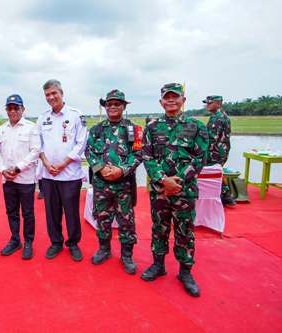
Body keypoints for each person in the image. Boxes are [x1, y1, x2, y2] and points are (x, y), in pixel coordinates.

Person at [141, 83, 208, 297]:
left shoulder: (197, 126)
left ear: (183, 100)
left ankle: (185, 272)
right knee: (159, 228)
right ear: (161, 101)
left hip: (184, 191)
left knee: (184, 232)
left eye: (175, 97)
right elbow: (147, 156)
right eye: (167, 97)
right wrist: (163, 180)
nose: (171, 100)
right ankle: (158, 265)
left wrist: (177, 181)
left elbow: (200, 158)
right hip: (160, 191)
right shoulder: (152, 127)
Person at [85, 89, 142, 274]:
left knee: (126, 221)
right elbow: (89, 152)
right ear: (105, 107)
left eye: (117, 104)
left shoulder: (134, 130)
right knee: (102, 218)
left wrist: (121, 170)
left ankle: (127, 255)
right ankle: (104, 249)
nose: (113, 107)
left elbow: (139, 153)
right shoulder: (96, 130)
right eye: (109, 104)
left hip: (123, 184)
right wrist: (101, 168)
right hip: (101, 184)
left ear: (123, 106)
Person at [37, 79, 87, 262]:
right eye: (47, 95)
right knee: (52, 212)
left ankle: (73, 243)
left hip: (70, 174)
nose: (51, 97)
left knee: (71, 212)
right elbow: (38, 145)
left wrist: (63, 164)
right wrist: (46, 162)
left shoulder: (75, 115)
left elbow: (81, 144)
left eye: (53, 93)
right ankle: (56, 242)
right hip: (48, 174)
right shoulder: (43, 117)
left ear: (61, 92)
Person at [0, 94, 40, 260]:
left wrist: (18, 168)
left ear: (23, 109)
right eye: (10, 108)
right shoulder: (2, 129)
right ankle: (15, 240)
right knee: (11, 212)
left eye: (16, 108)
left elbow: (35, 151)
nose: (13, 111)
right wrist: (3, 169)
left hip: (25, 178)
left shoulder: (31, 127)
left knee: (27, 213)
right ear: (6, 110)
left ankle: (28, 242)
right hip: (8, 178)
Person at [203, 95, 235, 207]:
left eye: (210, 103)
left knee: (213, 172)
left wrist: (203, 150)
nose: (207, 105)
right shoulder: (224, 116)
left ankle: (223, 197)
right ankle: (227, 197)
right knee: (218, 171)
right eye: (206, 103)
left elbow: (212, 138)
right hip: (222, 149)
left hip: (215, 150)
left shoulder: (217, 118)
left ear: (218, 103)